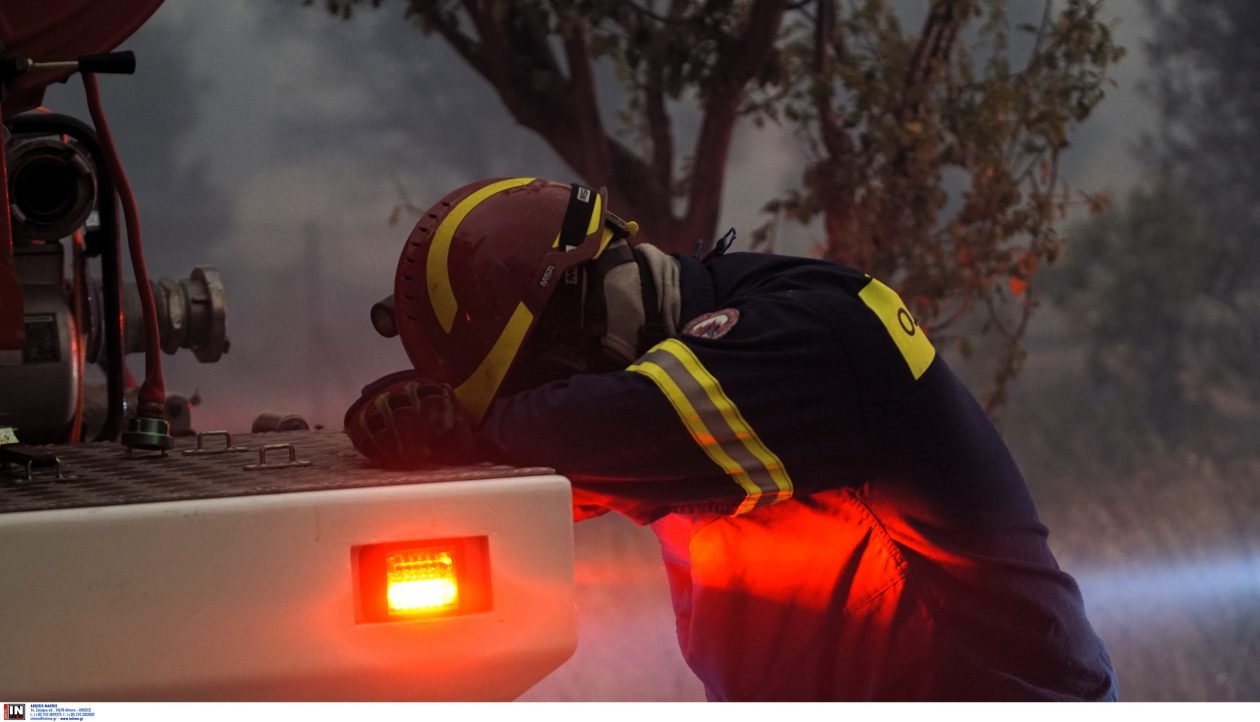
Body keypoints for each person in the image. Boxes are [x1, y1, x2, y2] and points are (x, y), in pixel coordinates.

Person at [345, 177, 1118, 701]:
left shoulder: (814, 331)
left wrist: (463, 425)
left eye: (537, 382)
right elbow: (541, 473)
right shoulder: (677, 389)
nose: (541, 406)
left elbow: (619, 421)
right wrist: (406, 427)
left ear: (575, 314)